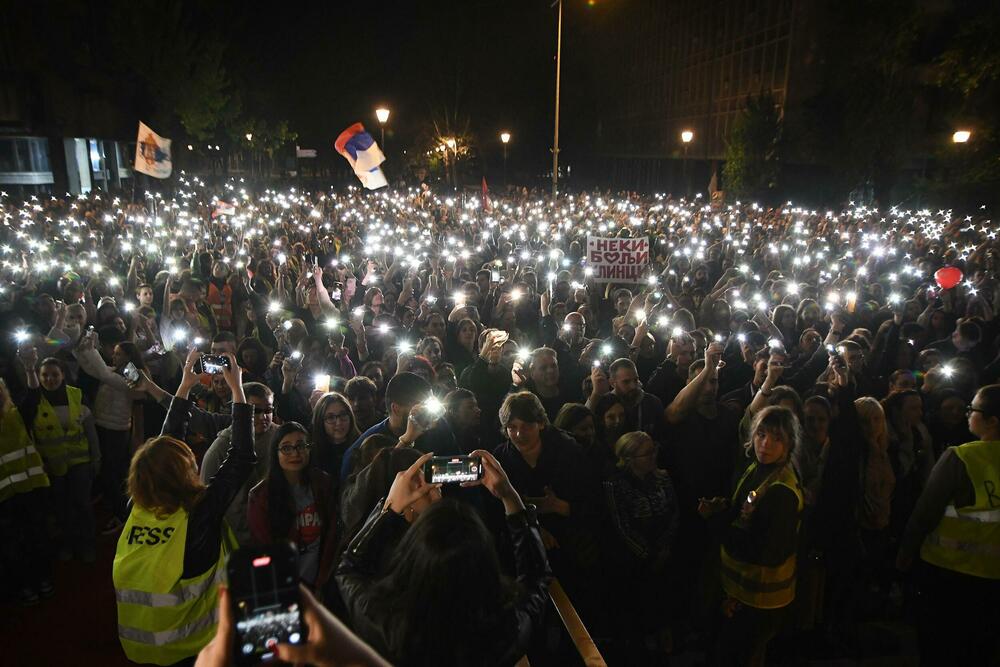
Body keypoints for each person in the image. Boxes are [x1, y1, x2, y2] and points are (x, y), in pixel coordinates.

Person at [336, 450, 552, 666]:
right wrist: (509, 496)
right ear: (486, 560)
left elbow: (349, 568)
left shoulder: (387, 628)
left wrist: (389, 509)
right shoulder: (506, 633)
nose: (438, 493)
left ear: (413, 558)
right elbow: (536, 578)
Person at [112, 350, 251, 666]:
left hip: (141, 646)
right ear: (184, 473)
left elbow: (162, 449)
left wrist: (186, 385)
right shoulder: (197, 517)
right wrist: (237, 390)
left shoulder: (138, 507)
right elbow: (241, 458)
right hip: (191, 648)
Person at [896, 384, 1000, 664]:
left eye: (973, 409)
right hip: (993, 581)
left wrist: (905, 553)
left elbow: (925, 512)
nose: (967, 414)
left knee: (941, 646)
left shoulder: (962, 457)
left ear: (992, 421)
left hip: (948, 574)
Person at [699, 406, 804, 666]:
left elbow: (767, 552)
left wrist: (716, 523)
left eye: (777, 438)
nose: (765, 444)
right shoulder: (755, 467)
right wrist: (724, 508)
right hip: (739, 591)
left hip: (759, 600)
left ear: (790, 444)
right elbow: (741, 509)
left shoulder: (781, 492)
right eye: (761, 434)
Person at [603, 431, 679, 656]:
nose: (654, 456)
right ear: (629, 459)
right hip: (633, 560)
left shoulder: (663, 477)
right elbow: (621, 525)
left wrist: (665, 549)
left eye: (653, 450)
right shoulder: (614, 484)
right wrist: (649, 555)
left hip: (664, 553)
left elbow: (674, 512)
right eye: (647, 453)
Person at [19, 349, 100, 561]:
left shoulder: (77, 395)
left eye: (55, 374)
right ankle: (67, 544)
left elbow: (91, 433)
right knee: (61, 508)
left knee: (82, 505)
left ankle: (87, 545)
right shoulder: (35, 401)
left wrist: (96, 459)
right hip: (52, 465)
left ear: (63, 375)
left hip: (80, 462)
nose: (50, 379)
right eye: (45, 375)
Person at [247, 421, 339, 591]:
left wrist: (322, 581)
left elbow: (332, 535)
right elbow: (265, 547)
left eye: (301, 446)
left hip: (321, 582)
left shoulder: (322, 484)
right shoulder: (260, 496)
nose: (295, 453)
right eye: (286, 448)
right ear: (276, 453)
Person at [199, 382, 279, 546]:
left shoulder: (280, 438)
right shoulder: (222, 447)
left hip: (275, 528)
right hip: (236, 536)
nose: (263, 417)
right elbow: (205, 497)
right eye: (255, 410)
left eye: (268, 410)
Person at [0, 376, 52, 604]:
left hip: (31, 489)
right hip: (5, 497)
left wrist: (31, 369)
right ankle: (24, 585)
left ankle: (41, 580)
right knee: (12, 544)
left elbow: (33, 396)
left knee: (35, 537)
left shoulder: (17, 415)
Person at [309, 391, 361, 490]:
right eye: (330, 417)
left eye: (343, 415)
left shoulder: (362, 445)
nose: (339, 422)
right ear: (320, 421)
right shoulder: (313, 452)